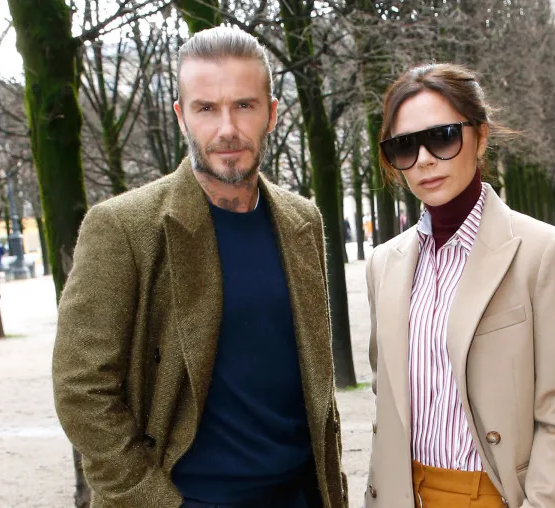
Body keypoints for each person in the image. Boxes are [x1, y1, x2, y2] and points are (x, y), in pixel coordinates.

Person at [53, 26, 347, 508]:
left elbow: (315, 386)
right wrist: (157, 500)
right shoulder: (123, 227)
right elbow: (81, 390)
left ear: (272, 113)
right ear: (181, 117)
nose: (227, 128)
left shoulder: (302, 221)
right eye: (206, 108)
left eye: (244, 105)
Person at [364, 63, 555, 507]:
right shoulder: (383, 264)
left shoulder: (544, 253)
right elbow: (386, 399)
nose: (424, 159)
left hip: (491, 495)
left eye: (443, 137)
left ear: (481, 136)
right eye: (404, 146)